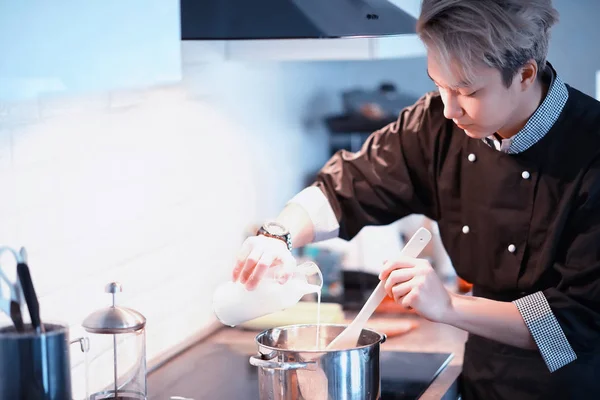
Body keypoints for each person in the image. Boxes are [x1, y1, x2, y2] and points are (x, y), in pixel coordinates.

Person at [232, 1, 600, 398]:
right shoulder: (438, 124)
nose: (450, 108)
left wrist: (449, 307)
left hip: (574, 384)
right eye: (439, 86)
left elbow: (576, 321)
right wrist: (278, 235)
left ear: (525, 73)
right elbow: (351, 182)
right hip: (483, 377)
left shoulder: (592, 148)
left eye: (467, 91)